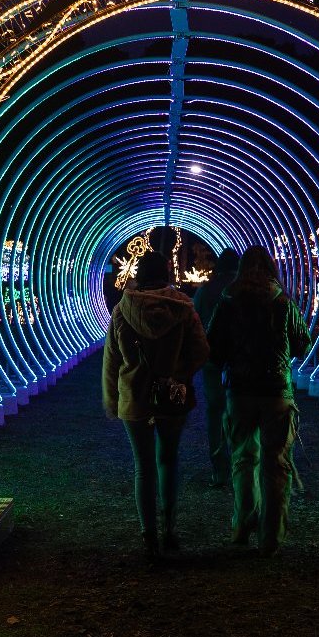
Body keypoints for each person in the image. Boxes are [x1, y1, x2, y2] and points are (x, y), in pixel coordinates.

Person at [102, 229, 209, 561]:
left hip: (134, 396)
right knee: (168, 460)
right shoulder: (184, 308)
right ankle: (170, 530)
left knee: (142, 465)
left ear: (138, 275)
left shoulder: (122, 310)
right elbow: (201, 350)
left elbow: (111, 360)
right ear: (167, 274)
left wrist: (111, 399)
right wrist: (180, 374)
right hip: (172, 397)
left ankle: (149, 535)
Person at [207, 245, 310, 557]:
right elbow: (302, 343)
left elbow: (214, 346)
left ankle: (242, 524)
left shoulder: (228, 300)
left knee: (243, 458)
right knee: (275, 464)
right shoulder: (283, 301)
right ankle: (271, 536)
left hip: (239, 390)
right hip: (277, 391)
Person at [192, 249, 240, 487]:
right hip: (241, 362)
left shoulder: (205, 290)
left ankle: (220, 468)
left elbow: (196, 323)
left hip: (212, 361)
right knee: (241, 411)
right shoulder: (245, 289)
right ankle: (243, 467)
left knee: (215, 411)